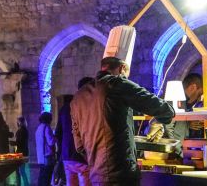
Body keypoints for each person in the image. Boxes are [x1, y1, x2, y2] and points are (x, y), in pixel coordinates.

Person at [71, 57, 175, 185]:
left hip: (96, 175)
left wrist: (97, 162)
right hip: (121, 174)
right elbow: (162, 108)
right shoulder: (117, 84)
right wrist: (158, 121)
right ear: (122, 69)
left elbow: (79, 145)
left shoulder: (79, 95)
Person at [56, 76, 93, 186]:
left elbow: (58, 133)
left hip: (67, 155)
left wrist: (61, 154)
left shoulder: (66, 107)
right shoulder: (88, 106)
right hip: (82, 156)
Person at [35, 112, 55, 186]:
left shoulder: (38, 128)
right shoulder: (47, 127)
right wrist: (56, 137)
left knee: (42, 177)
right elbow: (51, 142)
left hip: (40, 157)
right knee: (47, 177)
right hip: (47, 156)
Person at [14, 116, 30, 186]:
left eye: (18, 121)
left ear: (20, 122)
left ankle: (25, 184)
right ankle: (23, 184)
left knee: (21, 171)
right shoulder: (24, 130)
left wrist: (12, 143)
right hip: (23, 152)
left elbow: (20, 142)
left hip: (21, 152)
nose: (17, 123)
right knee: (21, 170)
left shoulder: (22, 130)